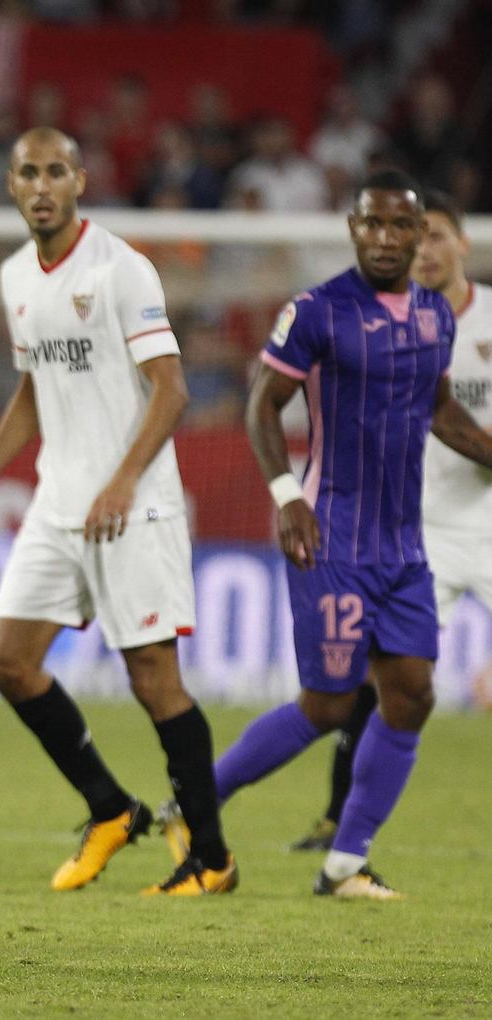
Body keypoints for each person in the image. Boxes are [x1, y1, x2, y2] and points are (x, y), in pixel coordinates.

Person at [0, 127, 235, 896]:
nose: (41, 185)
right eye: (28, 172)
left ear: (80, 180)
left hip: (135, 506)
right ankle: (110, 808)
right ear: (10, 185)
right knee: (8, 660)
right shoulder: (14, 277)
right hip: (59, 502)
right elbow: (34, 388)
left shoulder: (122, 269)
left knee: (153, 680)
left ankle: (213, 856)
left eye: (55, 171)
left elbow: (171, 388)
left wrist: (125, 479)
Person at [195, 169, 492, 899]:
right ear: (353, 230)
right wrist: (285, 494)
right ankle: (195, 802)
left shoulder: (436, 319)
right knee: (328, 704)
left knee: (413, 693)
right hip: (332, 537)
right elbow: (264, 406)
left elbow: (441, 409)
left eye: (401, 226)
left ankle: (344, 864)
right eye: (373, 225)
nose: (387, 239)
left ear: (420, 235)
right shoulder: (318, 310)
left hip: (404, 548)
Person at [287, 189, 492, 852]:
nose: (422, 248)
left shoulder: (478, 318)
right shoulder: (398, 321)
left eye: (434, 236)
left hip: (486, 524)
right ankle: (337, 820)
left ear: (462, 244)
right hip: (418, 528)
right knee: (379, 686)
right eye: (414, 234)